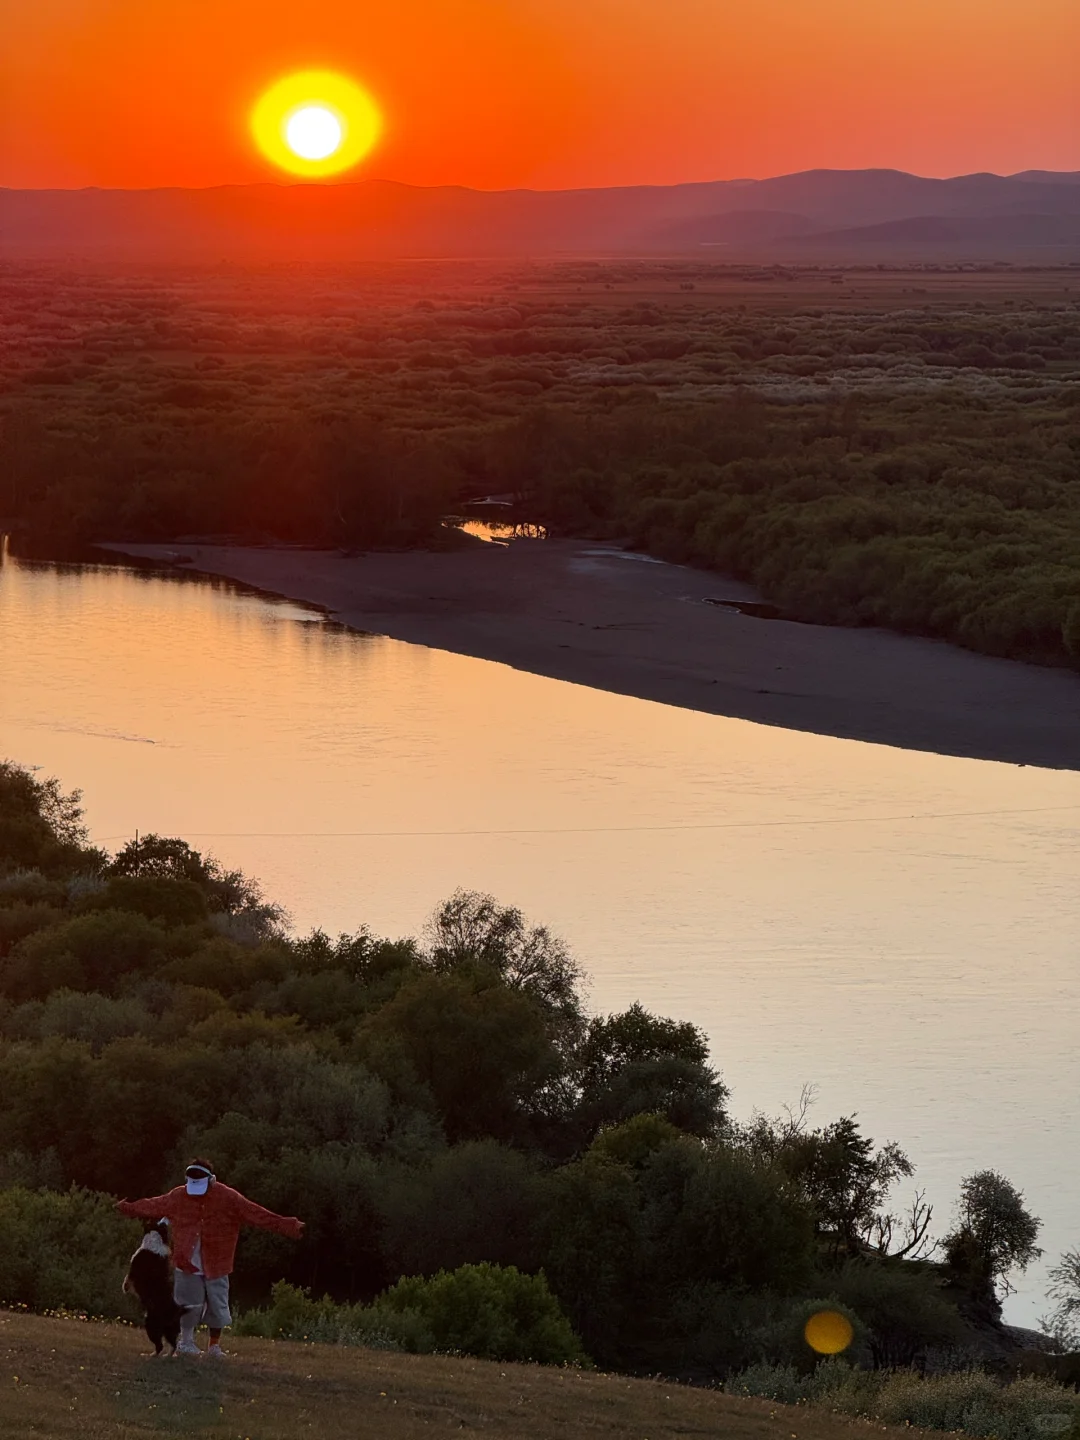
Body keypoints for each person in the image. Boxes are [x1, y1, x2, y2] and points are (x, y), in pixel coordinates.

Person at [117, 1159, 304, 1358]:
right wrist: (127, 1208)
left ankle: (214, 1346)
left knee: (218, 1305)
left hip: (218, 1262)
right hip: (186, 1262)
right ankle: (185, 1342)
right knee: (186, 1304)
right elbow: (153, 1205)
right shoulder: (178, 1196)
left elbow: (256, 1213)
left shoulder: (229, 1198)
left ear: (211, 1180)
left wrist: (289, 1225)